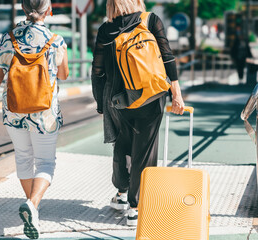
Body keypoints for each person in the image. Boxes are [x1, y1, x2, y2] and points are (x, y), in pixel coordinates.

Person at [0, 0, 69, 238]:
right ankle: (33, 204)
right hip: (45, 114)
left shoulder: (8, 38)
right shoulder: (56, 40)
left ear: (24, 9)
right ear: (48, 10)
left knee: (24, 157)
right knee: (46, 162)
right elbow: (64, 74)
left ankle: (33, 210)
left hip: (14, 110)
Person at [91, 0, 185, 226]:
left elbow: (97, 70)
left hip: (118, 98)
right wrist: (176, 93)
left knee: (123, 141)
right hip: (152, 96)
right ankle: (136, 207)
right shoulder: (150, 20)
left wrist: (100, 104)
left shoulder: (106, 29)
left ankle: (122, 193)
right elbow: (167, 56)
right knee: (145, 150)